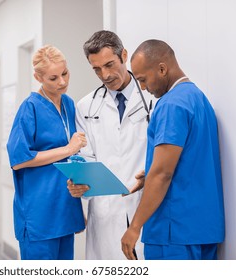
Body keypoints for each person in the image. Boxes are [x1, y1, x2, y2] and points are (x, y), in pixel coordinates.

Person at [121, 39, 225, 260]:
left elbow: (162, 173)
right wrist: (149, 176)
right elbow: (189, 161)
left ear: (162, 68)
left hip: (173, 233)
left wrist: (134, 227)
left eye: (142, 79)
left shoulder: (171, 105)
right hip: (202, 229)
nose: (142, 87)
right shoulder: (198, 98)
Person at [67, 30, 154, 260]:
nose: (105, 75)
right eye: (96, 69)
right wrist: (80, 184)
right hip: (107, 212)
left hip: (144, 205)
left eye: (109, 64)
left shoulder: (152, 98)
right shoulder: (86, 107)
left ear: (123, 55)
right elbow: (86, 159)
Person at [7, 45, 87, 260]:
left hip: (64, 209)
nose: (62, 82)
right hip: (39, 214)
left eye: (65, 73)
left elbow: (72, 158)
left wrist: (75, 209)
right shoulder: (30, 108)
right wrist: (68, 148)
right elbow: (19, 160)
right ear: (38, 77)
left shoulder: (69, 104)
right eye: (53, 78)